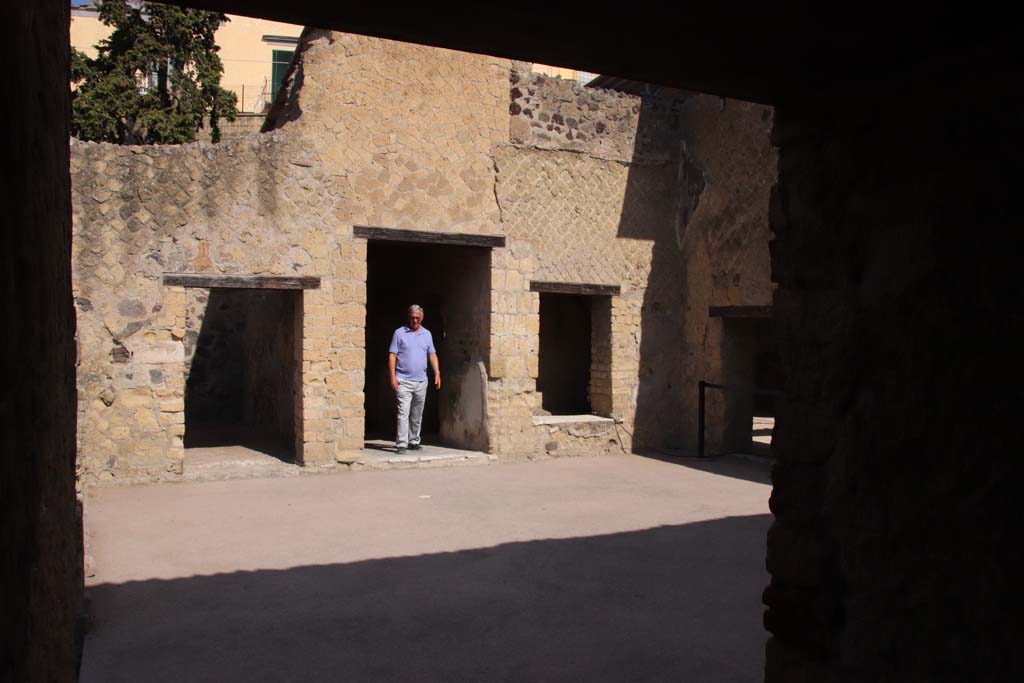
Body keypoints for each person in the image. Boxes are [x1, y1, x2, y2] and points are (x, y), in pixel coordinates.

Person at [388, 304, 441, 453]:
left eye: (418, 318)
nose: (415, 321)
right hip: (403, 380)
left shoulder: (427, 334)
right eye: (412, 318)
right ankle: (401, 444)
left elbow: (432, 354)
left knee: (417, 413)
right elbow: (392, 355)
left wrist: (437, 372)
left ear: (422, 318)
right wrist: (392, 377)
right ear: (408, 317)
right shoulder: (399, 333)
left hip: (421, 381)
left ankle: (414, 440)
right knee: (403, 412)